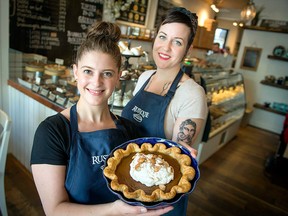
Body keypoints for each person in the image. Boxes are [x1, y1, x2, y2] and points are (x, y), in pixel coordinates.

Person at [30, 21, 173, 216]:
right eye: (88, 71)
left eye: (107, 74)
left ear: (118, 77)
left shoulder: (129, 131)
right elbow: (55, 210)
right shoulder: (53, 132)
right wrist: (113, 210)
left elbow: (140, 187)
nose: (96, 82)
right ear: (75, 72)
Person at [121, 7, 208, 216]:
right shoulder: (145, 77)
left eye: (177, 42)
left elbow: (178, 162)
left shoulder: (191, 93)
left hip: (159, 201)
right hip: (125, 188)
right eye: (162, 37)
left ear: (188, 49)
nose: (165, 47)